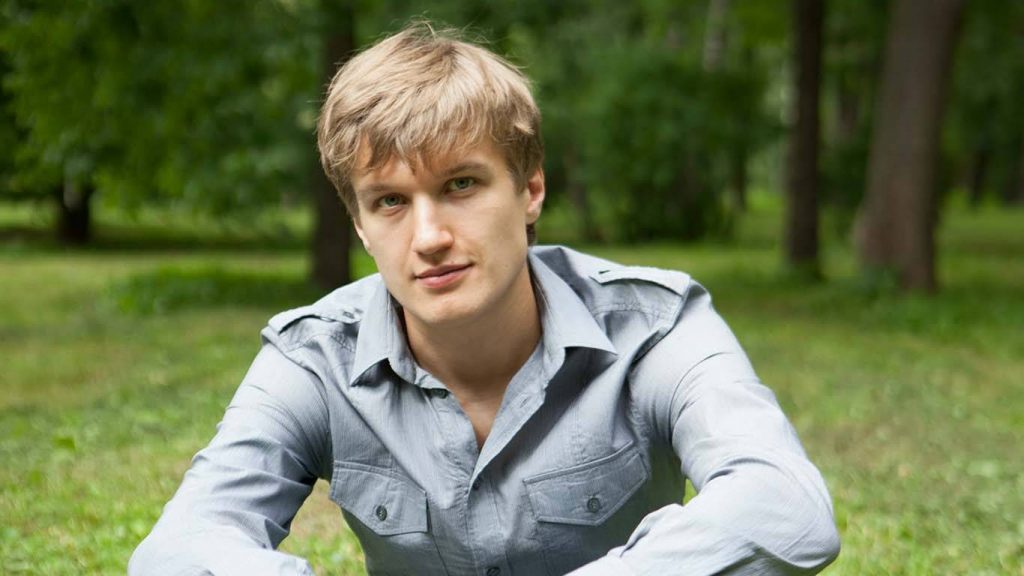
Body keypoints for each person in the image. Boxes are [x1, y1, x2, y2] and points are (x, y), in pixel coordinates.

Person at [130, 23, 840, 576]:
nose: (429, 237)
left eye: (460, 185)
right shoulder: (315, 359)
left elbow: (784, 505)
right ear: (360, 225)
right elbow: (181, 545)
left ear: (530, 189)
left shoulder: (653, 328)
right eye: (389, 201)